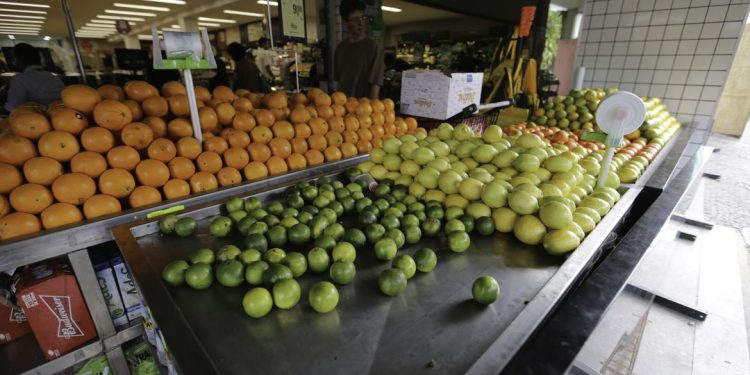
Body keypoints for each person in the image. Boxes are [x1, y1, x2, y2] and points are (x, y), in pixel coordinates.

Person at [334, 0, 384, 99]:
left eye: (362, 18)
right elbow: (339, 81)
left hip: (363, 108)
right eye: (355, 19)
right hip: (342, 108)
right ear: (345, 22)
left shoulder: (372, 47)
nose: (360, 23)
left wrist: (372, 110)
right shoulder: (340, 48)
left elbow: (375, 84)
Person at [3, 43, 65, 112]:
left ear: (19, 60)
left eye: (14, 59)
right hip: (60, 116)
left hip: (32, 119)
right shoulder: (55, 78)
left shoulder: (19, 79)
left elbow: (12, 108)